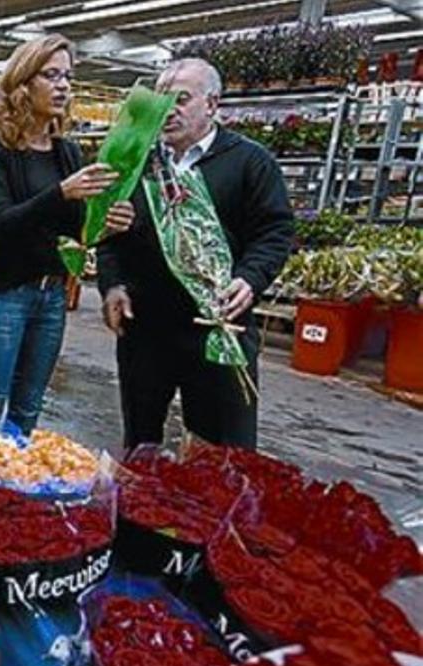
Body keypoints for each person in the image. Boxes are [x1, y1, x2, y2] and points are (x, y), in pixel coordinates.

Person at [97, 58, 294, 449]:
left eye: (181, 99)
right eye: (162, 99)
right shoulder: (136, 163)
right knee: (141, 444)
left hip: (219, 327)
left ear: (212, 104)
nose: (168, 110)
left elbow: (275, 231)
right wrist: (112, 284)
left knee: (222, 451)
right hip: (146, 329)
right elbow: (109, 236)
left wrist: (251, 278)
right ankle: (138, 512)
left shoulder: (249, 162)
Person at [0, 34, 134, 435]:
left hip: (51, 295)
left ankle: (10, 495)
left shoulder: (66, 151)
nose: (63, 86)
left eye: (68, 77)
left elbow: (74, 230)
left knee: (28, 409)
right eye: (51, 75)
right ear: (24, 82)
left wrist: (107, 224)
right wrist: (60, 192)